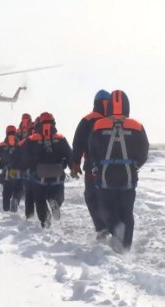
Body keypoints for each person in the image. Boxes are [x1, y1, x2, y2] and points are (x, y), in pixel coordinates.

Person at [89, 90, 149, 252]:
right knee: (127, 212)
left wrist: (96, 166)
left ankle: (116, 230)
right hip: (128, 177)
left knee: (108, 208)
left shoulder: (98, 125)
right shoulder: (137, 126)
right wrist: (134, 166)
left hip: (105, 177)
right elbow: (144, 151)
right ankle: (126, 248)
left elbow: (92, 150)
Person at [21, 112, 72, 228]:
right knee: (59, 196)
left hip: (38, 177)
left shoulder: (31, 139)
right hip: (57, 175)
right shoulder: (61, 138)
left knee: (39, 200)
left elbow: (22, 155)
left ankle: (45, 221)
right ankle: (55, 202)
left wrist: (27, 167)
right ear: (53, 123)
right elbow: (70, 155)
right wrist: (72, 167)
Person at [71, 90, 110, 238]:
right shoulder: (117, 120)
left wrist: (75, 163)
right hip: (116, 169)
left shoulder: (87, 120)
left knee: (92, 197)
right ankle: (116, 226)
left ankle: (102, 228)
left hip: (92, 168)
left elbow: (78, 142)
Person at [0, 125, 24, 212]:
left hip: (6, 174)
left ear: (6, 133)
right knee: (19, 189)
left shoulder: (1, 146)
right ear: (16, 133)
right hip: (18, 174)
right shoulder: (21, 145)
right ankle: (15, 200)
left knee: (6, 193)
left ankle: (6, 210)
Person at [18, 118, 37, 219]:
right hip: (40, 170)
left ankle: (29, 216)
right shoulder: (42, 138)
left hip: (26, 170)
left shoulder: (25, 140)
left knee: (28, 193)